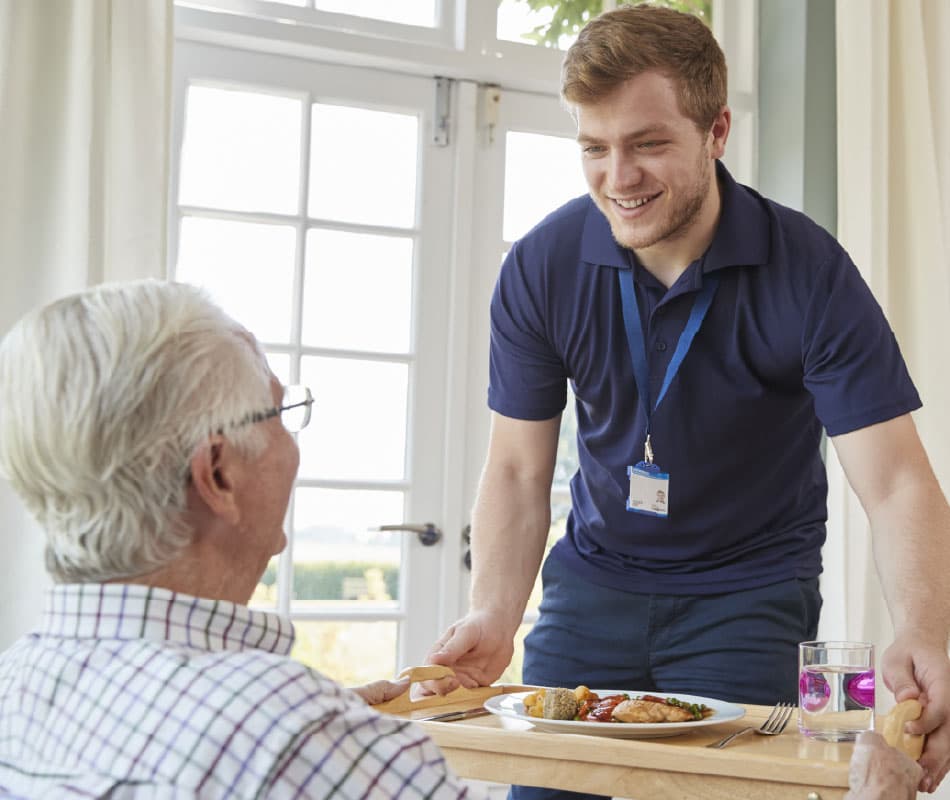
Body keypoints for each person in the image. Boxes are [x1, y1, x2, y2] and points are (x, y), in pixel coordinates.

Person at [423, 4, 950, 798]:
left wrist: (926, 628)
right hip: (593, 589)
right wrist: (494, 613)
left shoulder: (809, 272)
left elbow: (897, 482)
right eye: (594, 148)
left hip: (748, 598)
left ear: (717, 131)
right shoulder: (542, 266)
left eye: (648, 144)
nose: (618, 177)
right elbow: (517, 472)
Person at [0, 280, 479, 799]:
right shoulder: (292, 736)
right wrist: (330, 740)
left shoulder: (15, 682)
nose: (293, 445)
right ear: (219, 474)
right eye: (280, 414)